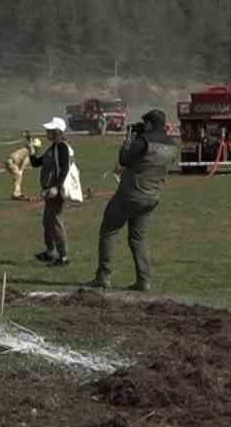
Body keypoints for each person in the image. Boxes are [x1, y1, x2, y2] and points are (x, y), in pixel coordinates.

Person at [88, 109, 177, 291]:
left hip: (130, 194)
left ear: (150, 124)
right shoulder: (172, 144)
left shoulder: (143, 140)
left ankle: (103, 276)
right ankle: (143, 280)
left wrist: (128, 140)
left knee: (109, 231)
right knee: (138, 238)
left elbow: (124, 160)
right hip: (153, 195)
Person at [28, 117, 73, 266]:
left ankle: (63, 257)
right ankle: (50, 252)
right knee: (47, 222)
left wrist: (56, 187)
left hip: (56, 192)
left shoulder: (61, 147)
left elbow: (65, 168)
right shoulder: (53, 146)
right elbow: (36, 163)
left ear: (58, 131)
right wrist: (31, 149)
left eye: (50, 130)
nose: (47, 132)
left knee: (55, 223)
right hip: (49, 191)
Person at [5, 132, 42, 200]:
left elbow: (30, 141)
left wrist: (28, 136)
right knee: (18, 177)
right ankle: (16, 194)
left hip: (10, 161)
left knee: (17, 178)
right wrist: (21, 171)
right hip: (12, 162)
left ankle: (17, 193)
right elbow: (25, 162)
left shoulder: (27, 148)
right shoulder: (30, 151)